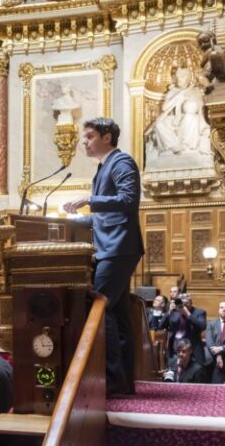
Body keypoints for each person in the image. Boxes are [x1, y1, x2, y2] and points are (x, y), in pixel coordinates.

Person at [63, 117, 144, 395]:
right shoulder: (104, 167)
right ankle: (122, 382)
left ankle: (111, 379)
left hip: (119, 248)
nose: (84, 142)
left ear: (106, 137)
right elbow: (104, 217)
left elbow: (128, 201)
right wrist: (70, 222)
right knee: (118, 314)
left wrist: (89, 200)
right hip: (111, 247)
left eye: (89, 136)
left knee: (98, 304)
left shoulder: (121, 163)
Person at [166, 292, 207, 367]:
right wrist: (169, 311)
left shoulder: (199, 312)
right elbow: (161, 325)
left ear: (191, 302)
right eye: (182, 303)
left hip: (193, 349)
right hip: (176, 349)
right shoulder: (175, 312)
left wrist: (188, 314)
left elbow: (202, 326)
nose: (184, 305)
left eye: (187, 303)